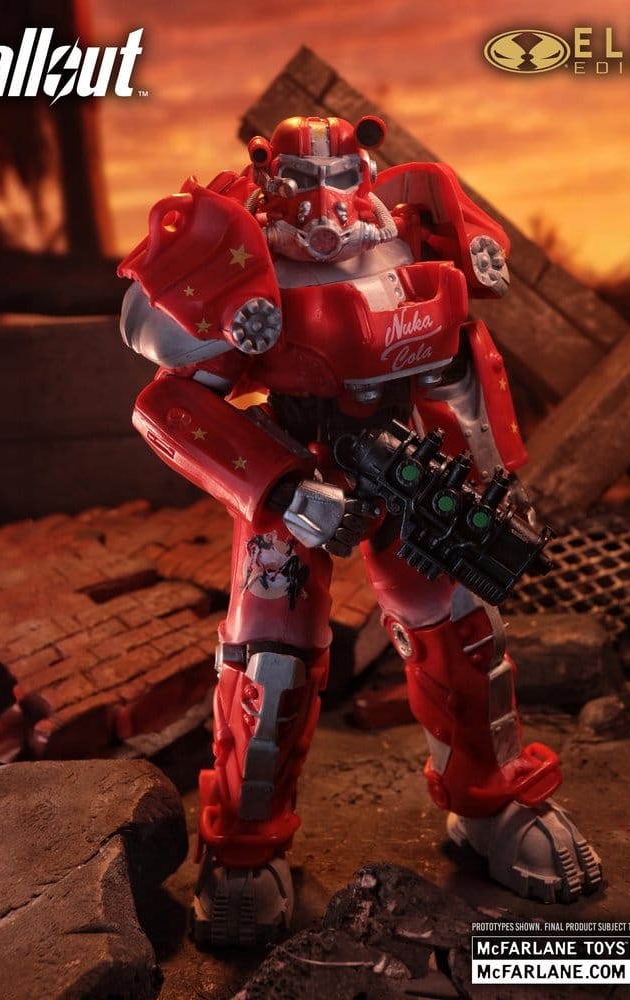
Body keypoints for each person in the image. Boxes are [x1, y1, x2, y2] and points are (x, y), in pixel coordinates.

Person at [118, 114, 602, 948]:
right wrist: (276, 486)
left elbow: (462, 360)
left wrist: (486, 472)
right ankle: (244, 847)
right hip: (297, 474)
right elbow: (170, 404)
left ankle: (488, 802)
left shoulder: (414, 235)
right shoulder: (243, 263)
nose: (327, 198)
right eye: (304, 179)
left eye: (343, 174)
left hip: (415, 467)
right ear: (266, 174)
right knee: (270, 665)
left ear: (367, 168)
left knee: (465, 636)